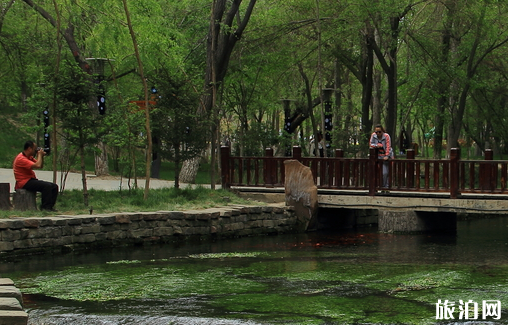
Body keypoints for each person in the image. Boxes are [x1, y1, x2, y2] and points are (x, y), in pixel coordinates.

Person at [13, 141, 58, 211]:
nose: (36, 150)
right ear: (29, 149)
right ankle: (45, 207)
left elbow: (40, 166)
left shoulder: (28, 157)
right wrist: (39, 155)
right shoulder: (21, 158)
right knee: (46, 186)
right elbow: (38, 165)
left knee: (54, 186)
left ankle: (50, 207)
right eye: (35, 149)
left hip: (30, 179)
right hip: (24, 182)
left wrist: (41, 156)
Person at [369, 125, 393, 189]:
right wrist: (377, 145)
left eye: (379, 132)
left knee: (385, 172)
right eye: (376, 132)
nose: (378, 133)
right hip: (378, 156)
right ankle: (377, 186)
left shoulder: (386, 136)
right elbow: (371, 144)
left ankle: (385, 186)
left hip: (385, 156)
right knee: (375, 172)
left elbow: (388, 146)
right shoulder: (373, 135)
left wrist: (387, 156)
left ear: (382, 131)